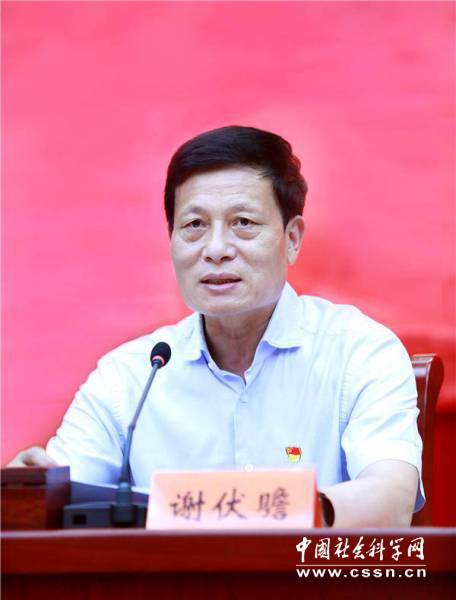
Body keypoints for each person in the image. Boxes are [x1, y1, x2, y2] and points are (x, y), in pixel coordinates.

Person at [9, 125, 423, 527]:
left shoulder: (359, 352)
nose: (217, 249)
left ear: (292, 238)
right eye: (195, 226)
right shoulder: (131, 376)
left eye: (243, 222)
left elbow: (391, 498)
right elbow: (50, 502)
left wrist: (277, 513)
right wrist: (26, 489)